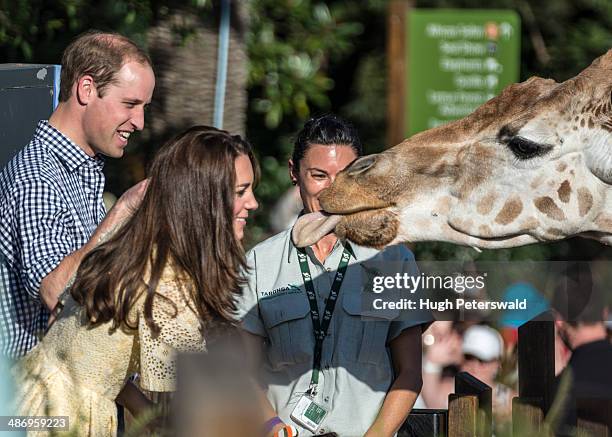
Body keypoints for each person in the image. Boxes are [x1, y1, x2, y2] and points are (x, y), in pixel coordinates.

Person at [12, 126, 259, 435]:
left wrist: (145, 411)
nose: (253, 203)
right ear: (202, 198)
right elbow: (201, 397)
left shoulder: (134, 246)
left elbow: (91, 360)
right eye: (240, 192)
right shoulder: (167, 277)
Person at [237, 114, 430, 437]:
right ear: (293, 173)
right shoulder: (260, 263)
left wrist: (377, 435)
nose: (332, 190)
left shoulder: (394, 259)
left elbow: (410, 372)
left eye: (344, 176)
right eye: (318, 175)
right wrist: (273, 428)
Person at [0, 30, 156, 359]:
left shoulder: (80, 172)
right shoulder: (38, 177)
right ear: (86, 89)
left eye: (144, 107)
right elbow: (57, 291)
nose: (140, 122)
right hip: (34, 407)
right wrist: (123, 212)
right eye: (130, 104)